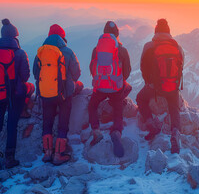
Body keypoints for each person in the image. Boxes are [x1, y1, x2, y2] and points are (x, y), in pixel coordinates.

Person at [0, 19, 35, 170]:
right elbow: (25, 77)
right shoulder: (19, 53)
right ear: (15, 37)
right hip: (15, 95)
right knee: (12, 124)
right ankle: (9, 159)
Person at [33, 24, 83, 165]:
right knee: (63, 123)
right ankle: (59, 154)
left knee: (47, 123)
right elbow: (77, 73)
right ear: (62, 37)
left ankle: (47, 152)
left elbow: (35, 73)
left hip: (46, 94)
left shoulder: (41, 53)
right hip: (64, 94)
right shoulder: (68, 51)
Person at [136, 19, 184, 154]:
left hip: (154, 88)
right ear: (169, 32)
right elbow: (181, 67)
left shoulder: (149, 46)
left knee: (140, 98)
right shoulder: (177, 47)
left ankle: (151, 125)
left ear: (156, 31)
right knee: (174, 108)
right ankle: (175, 132)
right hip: (172, 87)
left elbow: (142, 67)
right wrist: (173, 84)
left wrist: (149, 83)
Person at [88, 21, 132, 158]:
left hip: (100, 88)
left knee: (92, 106)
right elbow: (127, 72)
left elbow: (92, 69)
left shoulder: (96, 49)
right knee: (118, 108)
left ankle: (96, 131)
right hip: (116, 89)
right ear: (117, 35)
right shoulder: (122, 50)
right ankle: (116, 131)